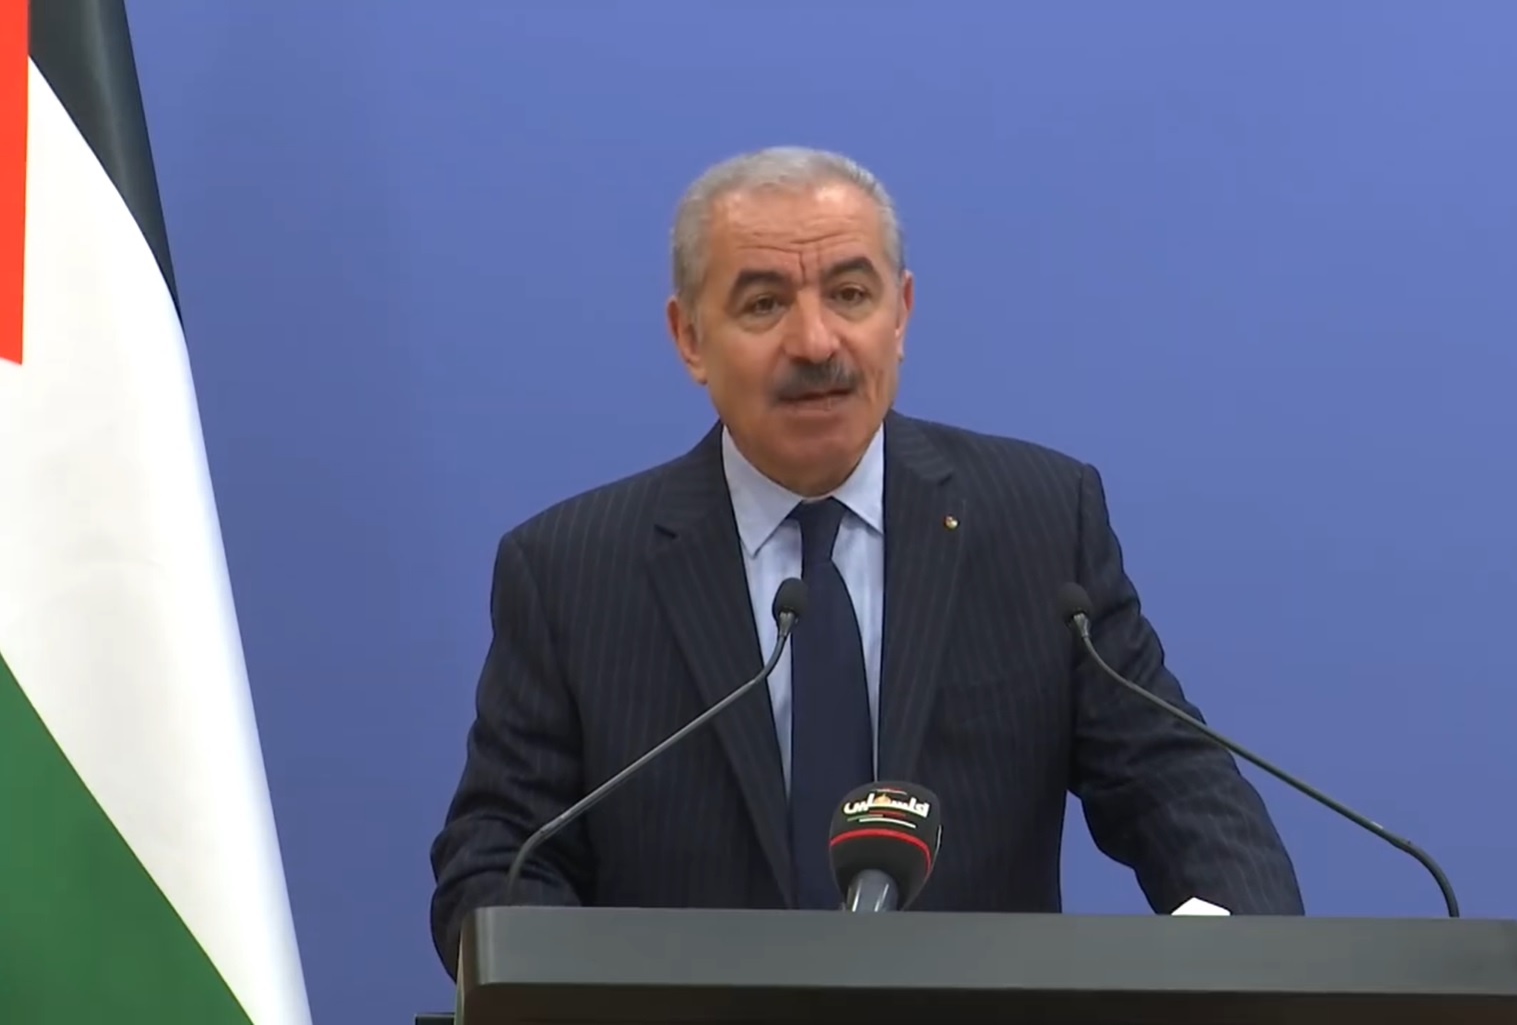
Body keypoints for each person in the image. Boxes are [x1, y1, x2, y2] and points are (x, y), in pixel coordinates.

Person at [427, 145, 1303, 974]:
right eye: (763, 304)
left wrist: (1252, 960)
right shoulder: (572, 571)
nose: (815, 342)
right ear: (689, 336)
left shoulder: (1039, 522)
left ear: (900, 315)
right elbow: (499, 858)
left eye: (849, 294)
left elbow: (1171, 778)